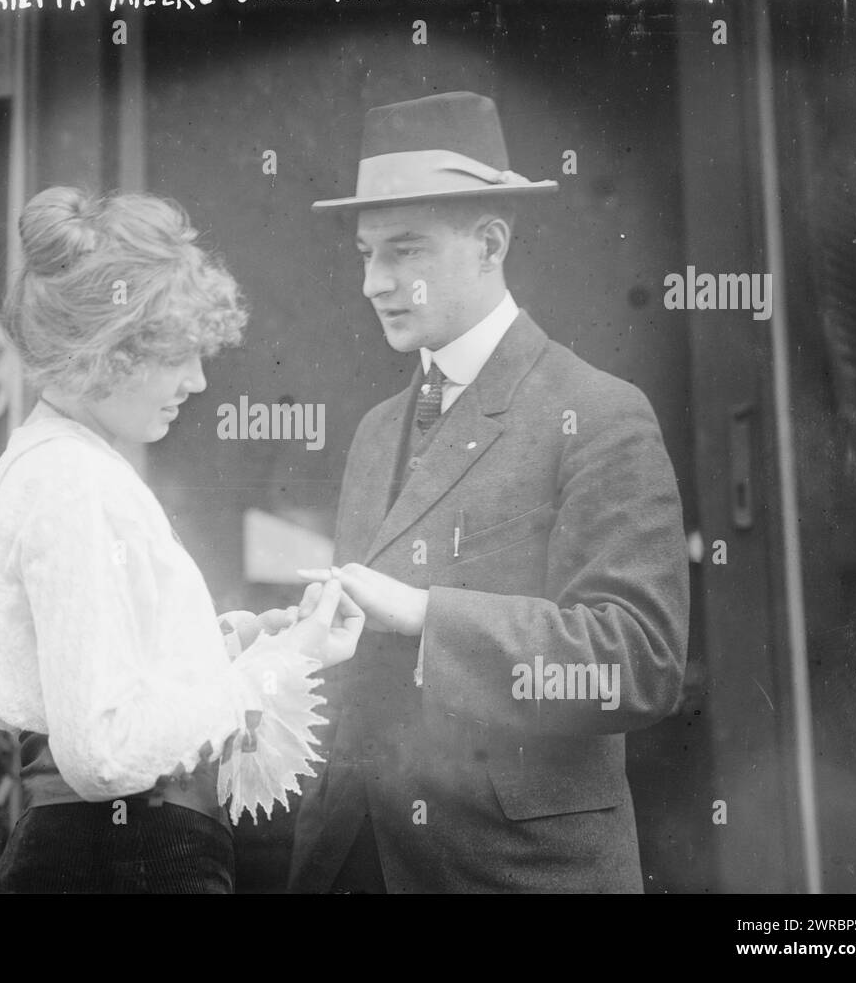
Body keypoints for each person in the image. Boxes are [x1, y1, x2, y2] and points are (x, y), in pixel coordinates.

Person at [289, 92, 690, 893]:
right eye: (366, 253)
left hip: (511, 874)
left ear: (489, 244)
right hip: (353, 859)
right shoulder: (375, 432)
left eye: (404, 250)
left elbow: (637, 662)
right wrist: (290, 644)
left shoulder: (599, 412)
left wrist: (427, 614)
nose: (374, 282)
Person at [0, 186, 364, 893]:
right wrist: (278, 667)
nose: (199, 379)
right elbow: (104, 752)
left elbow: (109, 671)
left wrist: (239, 645)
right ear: (105, 351)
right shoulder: (74, 484)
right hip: (129, 858)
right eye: (178, 354)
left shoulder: (66, 466)